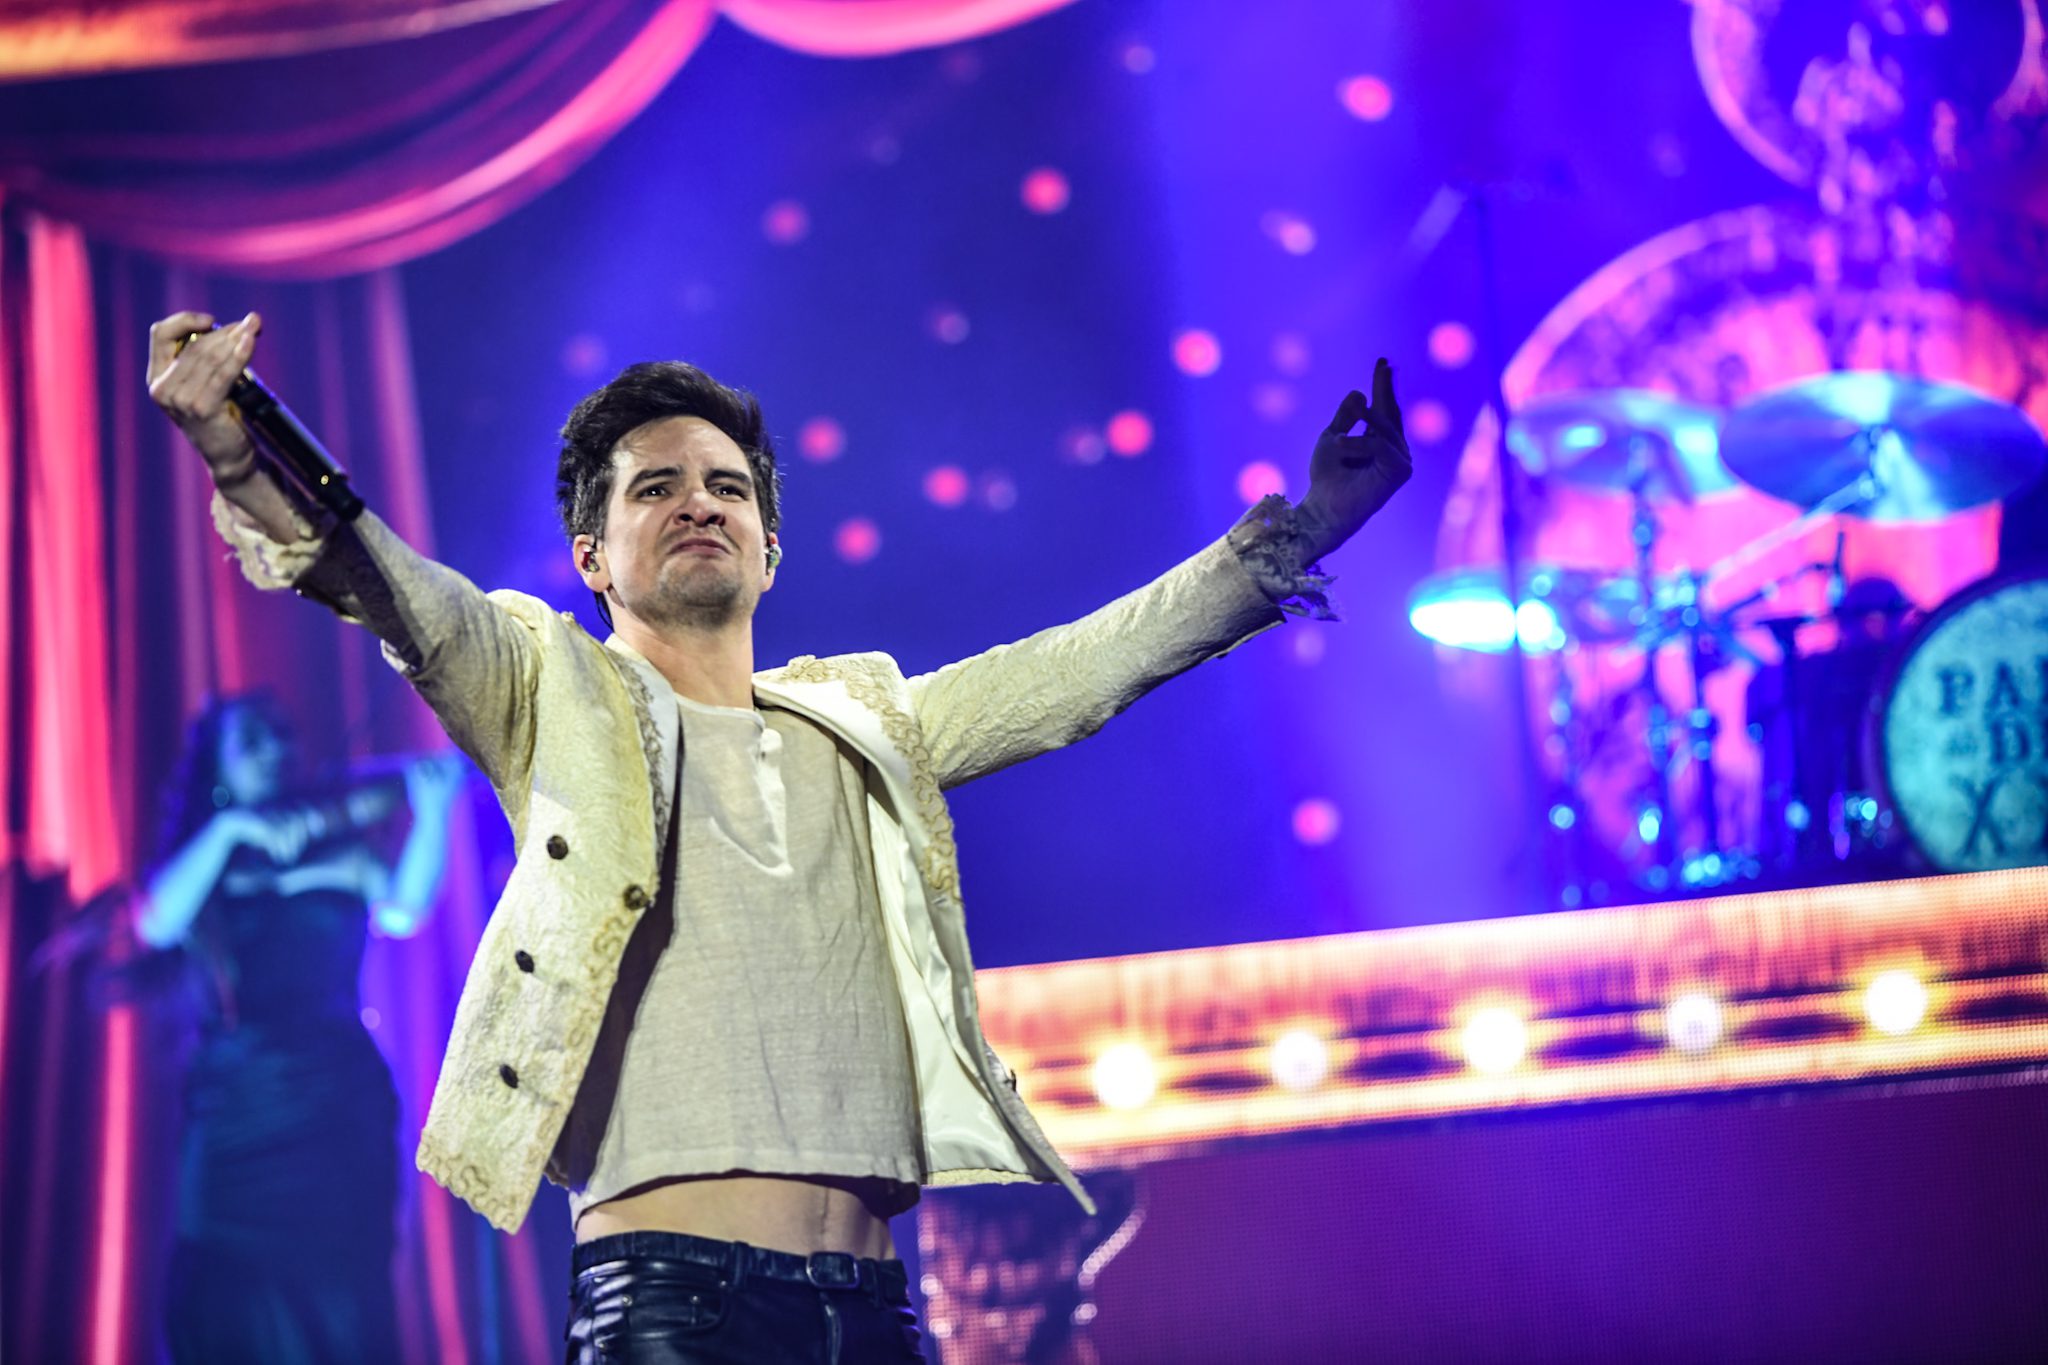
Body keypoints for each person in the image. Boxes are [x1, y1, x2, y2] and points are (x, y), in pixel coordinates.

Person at [146, 308, 1411, 1363]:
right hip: (672, 1306)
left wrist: (1307, 526)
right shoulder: (544, 691)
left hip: (874, 1312)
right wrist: (238, 453)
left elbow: (1073, 674)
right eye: (655, 488)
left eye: (727, 488)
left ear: (769, 549)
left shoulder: (865, 724)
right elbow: (384, 584)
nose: (698, 504)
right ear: (591, 556)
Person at [136, 691, 465, 1364]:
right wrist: (231, 829)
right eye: (251, 740)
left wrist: (433, 816)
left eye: (282, 734)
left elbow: (405, 909)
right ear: (218, 769)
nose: (275, 749)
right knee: (224, 1290)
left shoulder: (347, 852)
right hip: (236, 1110)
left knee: (340, 1289)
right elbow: (155, 922)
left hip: (336, 1099)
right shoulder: (206, 864)